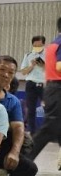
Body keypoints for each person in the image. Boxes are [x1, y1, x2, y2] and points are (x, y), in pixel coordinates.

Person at [29, 18, 61, 160]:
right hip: (58, 88)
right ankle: (24, 159)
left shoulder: (54, 43)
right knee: (50, 127)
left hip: (53, 87)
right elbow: (59, 66)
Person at [19, 35, 45, 135]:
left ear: (43, 44)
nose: (37, 47)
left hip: (44, 84)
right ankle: (32, 132)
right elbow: (23, 72)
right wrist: (32, 65)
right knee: (31, 109)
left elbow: (53, 70)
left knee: (49, 108)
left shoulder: (49, 55)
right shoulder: (28, 55)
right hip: (31, 84)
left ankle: (50, 132)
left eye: (39, 45)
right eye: (35, 46)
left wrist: (43, 65)